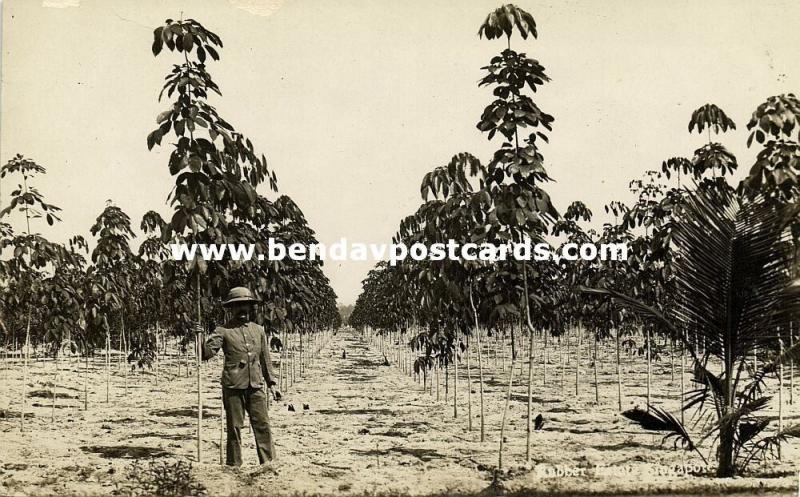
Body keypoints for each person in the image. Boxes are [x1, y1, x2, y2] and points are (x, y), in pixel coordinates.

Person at [201, 286, 281, 467]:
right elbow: (207, 353)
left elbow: (265, 359)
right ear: (231, 309)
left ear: (251, 307)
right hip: (233, 386)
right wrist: (199, 338)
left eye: (245, 305)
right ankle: (234, 466)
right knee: (234, 428)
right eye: (237, 306)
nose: (242, 310)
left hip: (256, 386)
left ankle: (269, 465)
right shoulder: (223, 330)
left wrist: (272, 384)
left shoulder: (258, 330)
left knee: (263, 426)